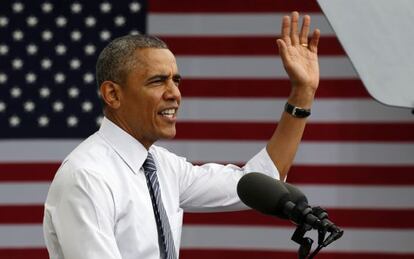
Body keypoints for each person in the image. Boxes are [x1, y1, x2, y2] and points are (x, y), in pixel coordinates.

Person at [43, 11, 320, 259]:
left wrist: (303, 92)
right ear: (113, 94)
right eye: (157, 81)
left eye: (176, 80)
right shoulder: (86, 176)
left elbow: (263, 182)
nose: (174, 93)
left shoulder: (163, 166)